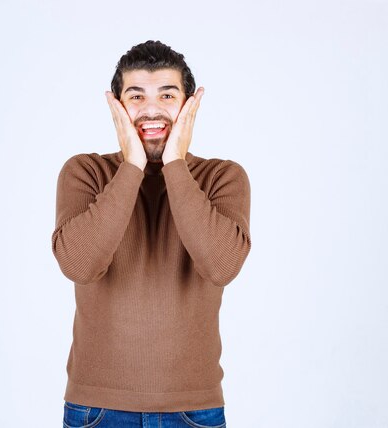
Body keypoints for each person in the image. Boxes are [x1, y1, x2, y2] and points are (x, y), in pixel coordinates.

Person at [51, 40, 252, 427]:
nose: (151, 109)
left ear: (190, 105)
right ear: (117, 107)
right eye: (136, 96)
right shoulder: (85, 173)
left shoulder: (223, 178)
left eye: (167, 94)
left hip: (194, 411)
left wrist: (175, 162)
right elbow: (79, 264)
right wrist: (132, 166)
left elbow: (221, 265)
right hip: (97, 410)